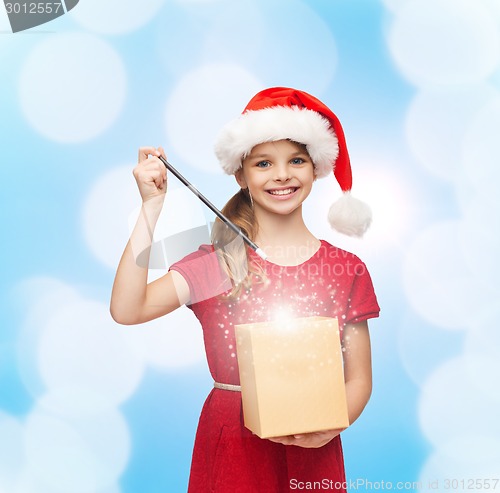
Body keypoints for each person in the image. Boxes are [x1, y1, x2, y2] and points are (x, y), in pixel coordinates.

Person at [110, 87, 380, 492]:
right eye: (264, 163)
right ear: (241, 174)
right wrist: (151, 207)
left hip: (314, 447)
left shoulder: (346, 269)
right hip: (233, 450)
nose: (282, 174)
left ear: (315, 169)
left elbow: (358, 378)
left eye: (296, 160)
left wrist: (331, 426)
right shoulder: (218, 262)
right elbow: (128, 309)